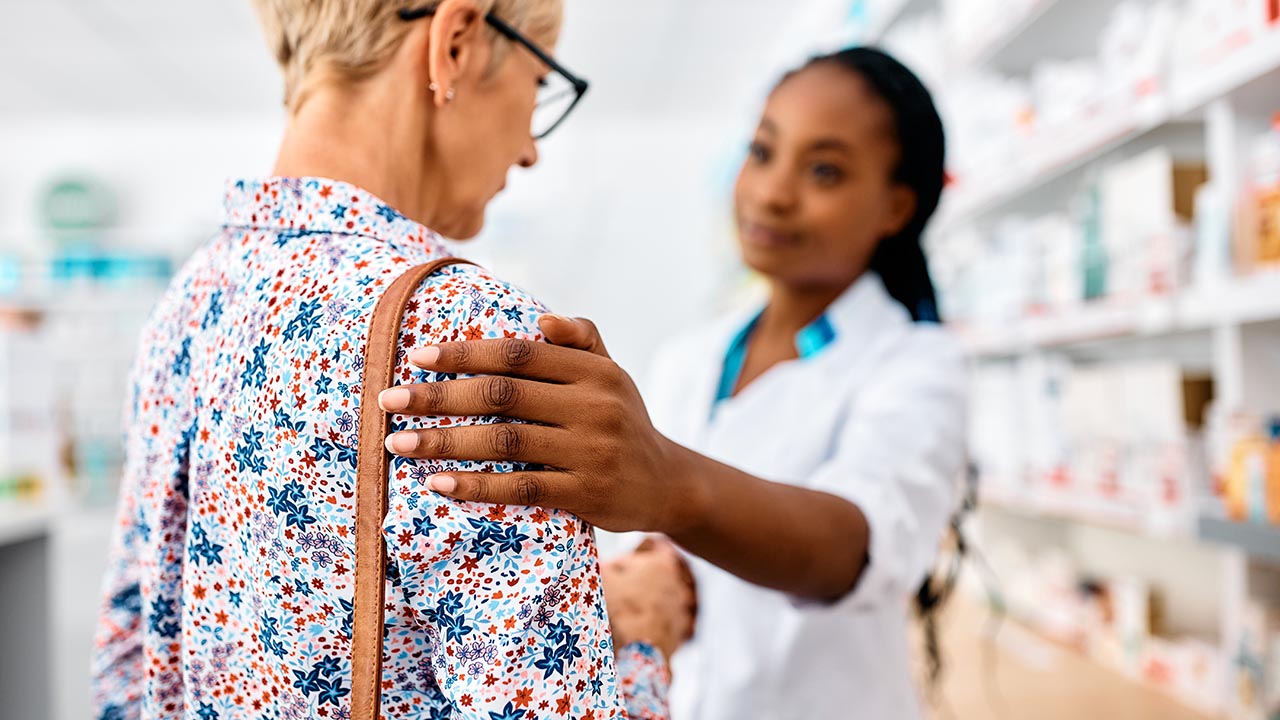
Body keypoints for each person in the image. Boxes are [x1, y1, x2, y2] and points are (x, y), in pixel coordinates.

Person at [90, 1, 694, 718]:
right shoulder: (466, 333)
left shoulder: (190, 299)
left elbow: (127, 666)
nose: (531, 148)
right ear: (456, 43)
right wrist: (643, 644)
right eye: (538, 84)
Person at [376, 47, 967, 718]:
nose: (772, 193)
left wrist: (667, 486)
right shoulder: (694, 357)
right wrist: (646, 570)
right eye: (763, 152)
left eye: (824, 171)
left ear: (896, 207)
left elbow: (853, 549)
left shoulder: (918, 364)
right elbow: (675, 536)